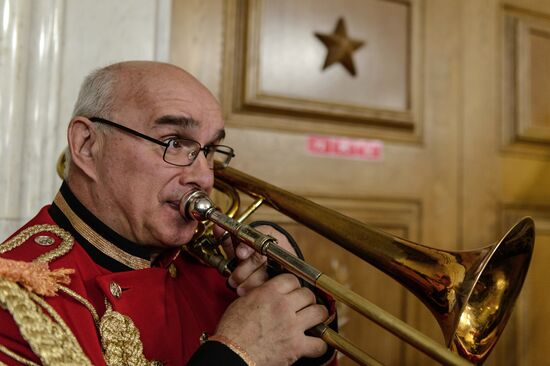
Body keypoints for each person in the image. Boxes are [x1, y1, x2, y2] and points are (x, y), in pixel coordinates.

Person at [0, 61, 337, 366]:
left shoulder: (221, 270)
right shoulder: (16, 299)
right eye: (174, 142)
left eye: (209, 150)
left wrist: (296, 299)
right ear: (87, 144)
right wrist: (231, 357)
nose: (205, 178)